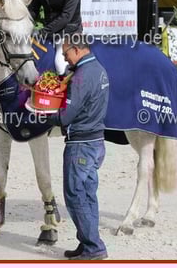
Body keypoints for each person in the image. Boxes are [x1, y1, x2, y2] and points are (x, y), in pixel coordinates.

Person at [46, 34, 109, 260]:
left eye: (65, 54)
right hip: (96, 142)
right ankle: (87, 242)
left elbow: (66, 116)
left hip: (80, 144)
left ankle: (94, 246)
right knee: (88, 195)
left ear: (76, 49)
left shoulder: (82, 76)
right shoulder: (99, 69)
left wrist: (43, 113)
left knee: (75, 195)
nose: (65, 58)